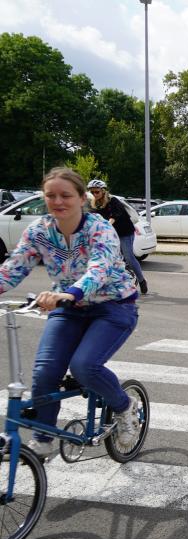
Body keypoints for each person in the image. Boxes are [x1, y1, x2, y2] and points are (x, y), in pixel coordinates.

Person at [0, 168, 141, 459]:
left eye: (66, 195)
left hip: (113, 305)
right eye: (51, 195)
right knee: (44, 373)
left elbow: (100, 268)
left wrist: (71, 292)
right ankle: (43, 438)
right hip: (68, 309)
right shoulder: (39, 231)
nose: (58, 201)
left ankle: (125, 407)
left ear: (81, 198)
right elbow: (13, 268)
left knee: (85, 366)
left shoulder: (99, 228)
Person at [87, 179, 148, 295]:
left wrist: (107, 224)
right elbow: (91, 218)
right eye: (92, 192)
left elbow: (115, 214)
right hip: (110, 235)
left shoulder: (113, 201)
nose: (94, 194)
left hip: (125, 232)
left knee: (129, 257)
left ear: (103, 191)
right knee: (107, 258)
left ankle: (141, 280)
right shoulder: (95, 204)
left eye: (97, 192)